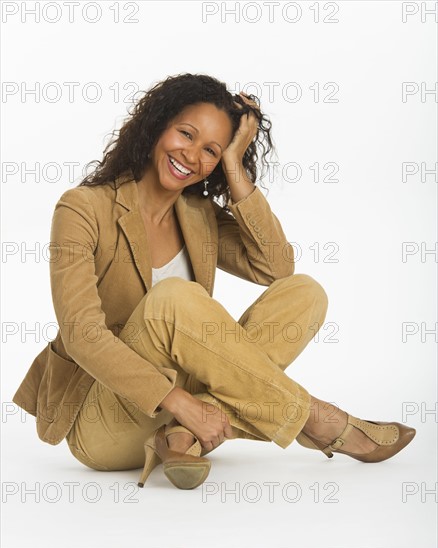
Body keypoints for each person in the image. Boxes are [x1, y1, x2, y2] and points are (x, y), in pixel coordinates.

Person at [12, 73, 416, 490]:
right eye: (185, 134)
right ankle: (317, 418)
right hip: (106, 416)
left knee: (304, 293)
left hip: (185, 411)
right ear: (157, 126)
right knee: (173, 299)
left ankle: (180, 439)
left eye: (210, 150)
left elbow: (276, 268)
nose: (191, 155)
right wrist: (179, 402)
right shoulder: (83, 208)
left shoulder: (197, 214)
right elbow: (82, 335)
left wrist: (236, 166)